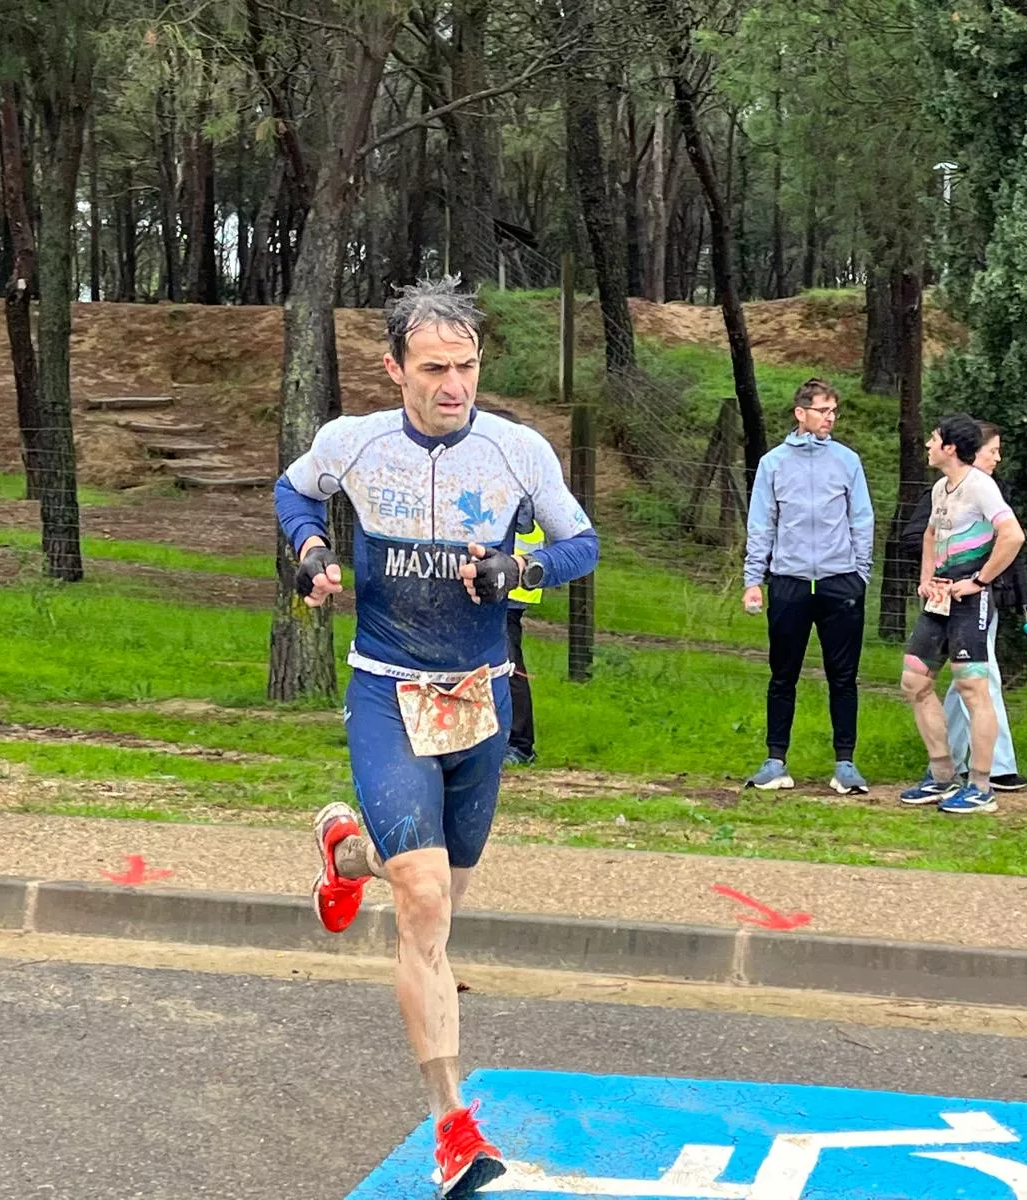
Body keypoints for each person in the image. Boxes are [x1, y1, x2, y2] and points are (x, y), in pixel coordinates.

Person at [273, 277, 599, 1198]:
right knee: (421, 904)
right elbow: (292, 496)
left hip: (478, 698)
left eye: (467, 367)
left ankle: (345, 851)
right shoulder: (353, 444)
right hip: (386, 688)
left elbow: (583, 547)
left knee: (441, 893)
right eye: (435, 369)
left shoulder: (516, 451)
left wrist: (519, 565)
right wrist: (310, 555)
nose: (454, 385)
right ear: (395, 369)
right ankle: (453, 1128)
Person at [741, 378, 874, 795]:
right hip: (789, 583)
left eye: (834, 411)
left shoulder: (848, 461)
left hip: (840, 583)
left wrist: (860, 574)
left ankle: (846, 763)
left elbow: (862, 519)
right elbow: (762, 523)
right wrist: (753, 580)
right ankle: (775, 760)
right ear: (801, 414)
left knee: (844, 676)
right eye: (823, 411)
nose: (830, 418)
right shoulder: (773, 464)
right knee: (783, 675)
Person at [897, 413, 1025, 814]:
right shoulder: (941, 488)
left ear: (951, 447)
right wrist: (927, 577)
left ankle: (982, 787)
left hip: (970, 600)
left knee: (973, 688)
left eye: (933, 439)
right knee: (914, 681)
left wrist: (981, 581)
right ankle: (940, 776)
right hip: (940, 600)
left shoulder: (981, 487)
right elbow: (932, 533)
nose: (928, 445)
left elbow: (1013, 535)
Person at [939, 424, 1027, 792]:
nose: (998, 457)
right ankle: (994, 768)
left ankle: (946, 759)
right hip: (956, 598)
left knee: (969, 680)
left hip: (984, 597)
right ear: (971, 451)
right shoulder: (945, 490)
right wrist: (947, 574)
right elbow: (922, 533)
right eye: (992, 450)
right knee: (978, 676)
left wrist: (1017, 594)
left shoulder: (991, 491)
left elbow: (1012, 545)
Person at [504, 499, 543, 766]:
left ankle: (519, 744)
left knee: (508, 665)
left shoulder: (510, 472)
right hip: (498, 583)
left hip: (507, 585)